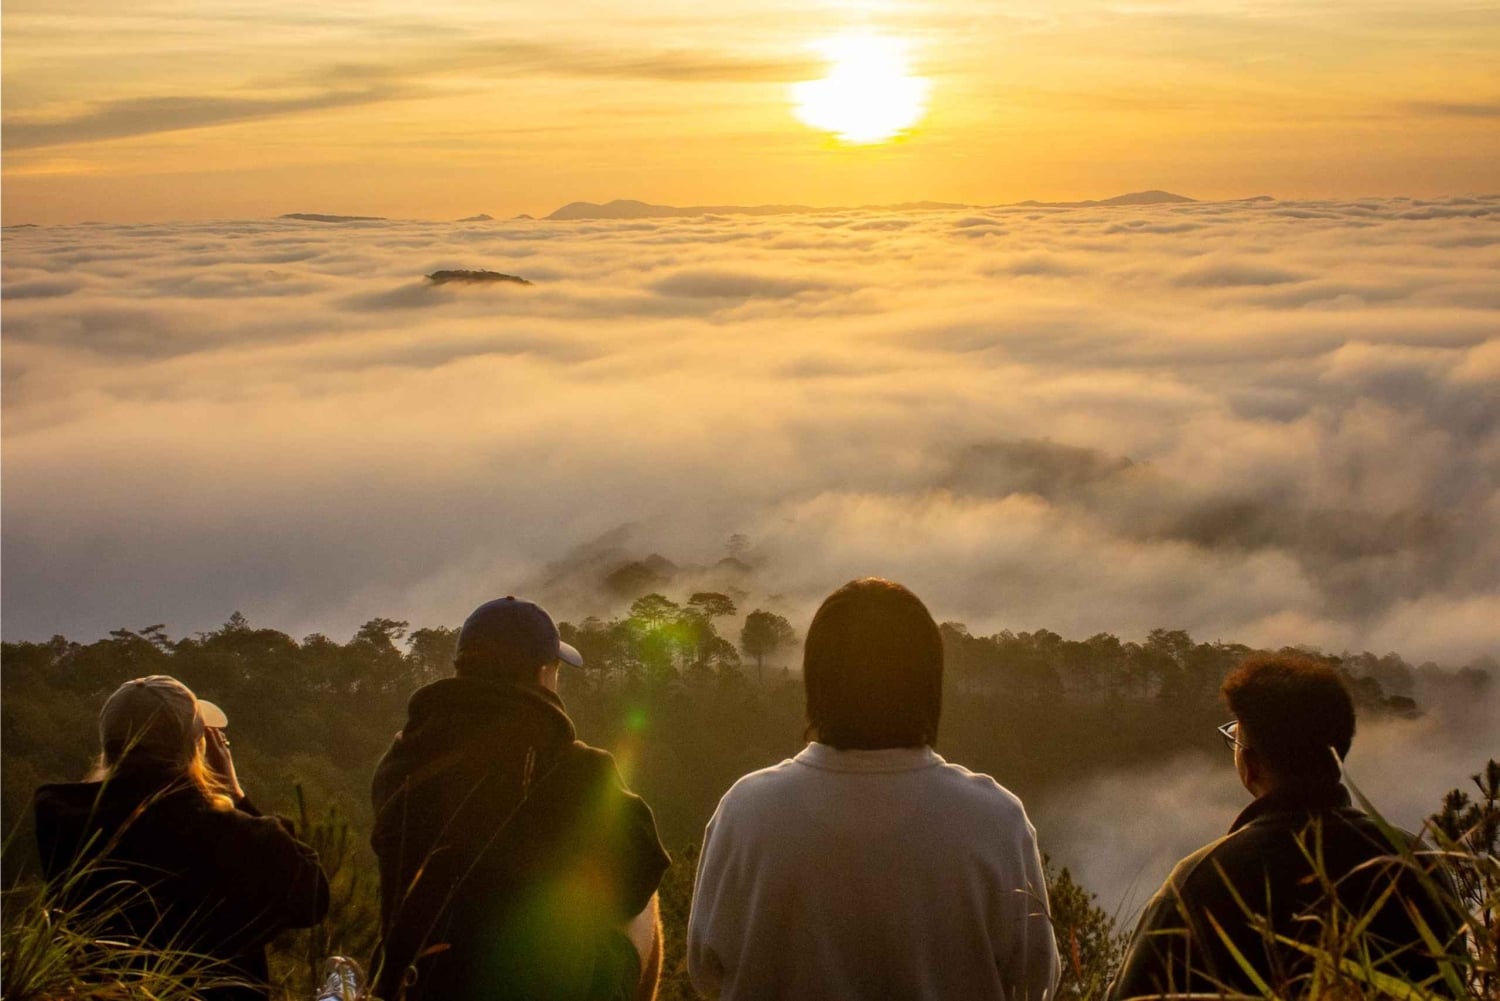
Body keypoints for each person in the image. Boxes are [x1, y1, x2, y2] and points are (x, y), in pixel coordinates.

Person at [687, 578, 1060, 1001]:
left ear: (818, 680)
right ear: (928, 683)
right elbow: (1037, 983)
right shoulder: (996, 822)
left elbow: (706, 972)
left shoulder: (747, 813)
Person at [1109, 653, 1463, 1000]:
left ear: (1250, 763)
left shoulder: (1202, 882)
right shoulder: (1419, 865)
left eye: (1235, 737)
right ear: (1339, 752)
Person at [371, 596, 671, 1001]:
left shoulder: (399, 764)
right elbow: (639, 878)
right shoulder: (576, 768)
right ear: (544, 672)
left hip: (412, 985)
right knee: (644, 907)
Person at [32, 674, 330, 1001]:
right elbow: (312, 897)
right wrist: (236, 794)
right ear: (194, 747)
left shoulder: (64, 824)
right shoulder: (231, 836)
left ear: (108, 747)